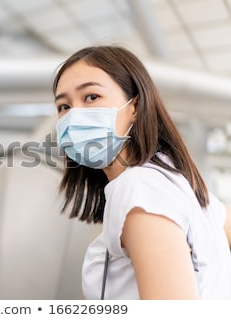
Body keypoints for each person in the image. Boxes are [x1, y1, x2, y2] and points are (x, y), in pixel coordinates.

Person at [53, 45, 231, 299]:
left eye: (91, 97)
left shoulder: (140, 190)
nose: (74, 115)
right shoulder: (171, 179)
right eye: (64, 107)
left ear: (134, 106)